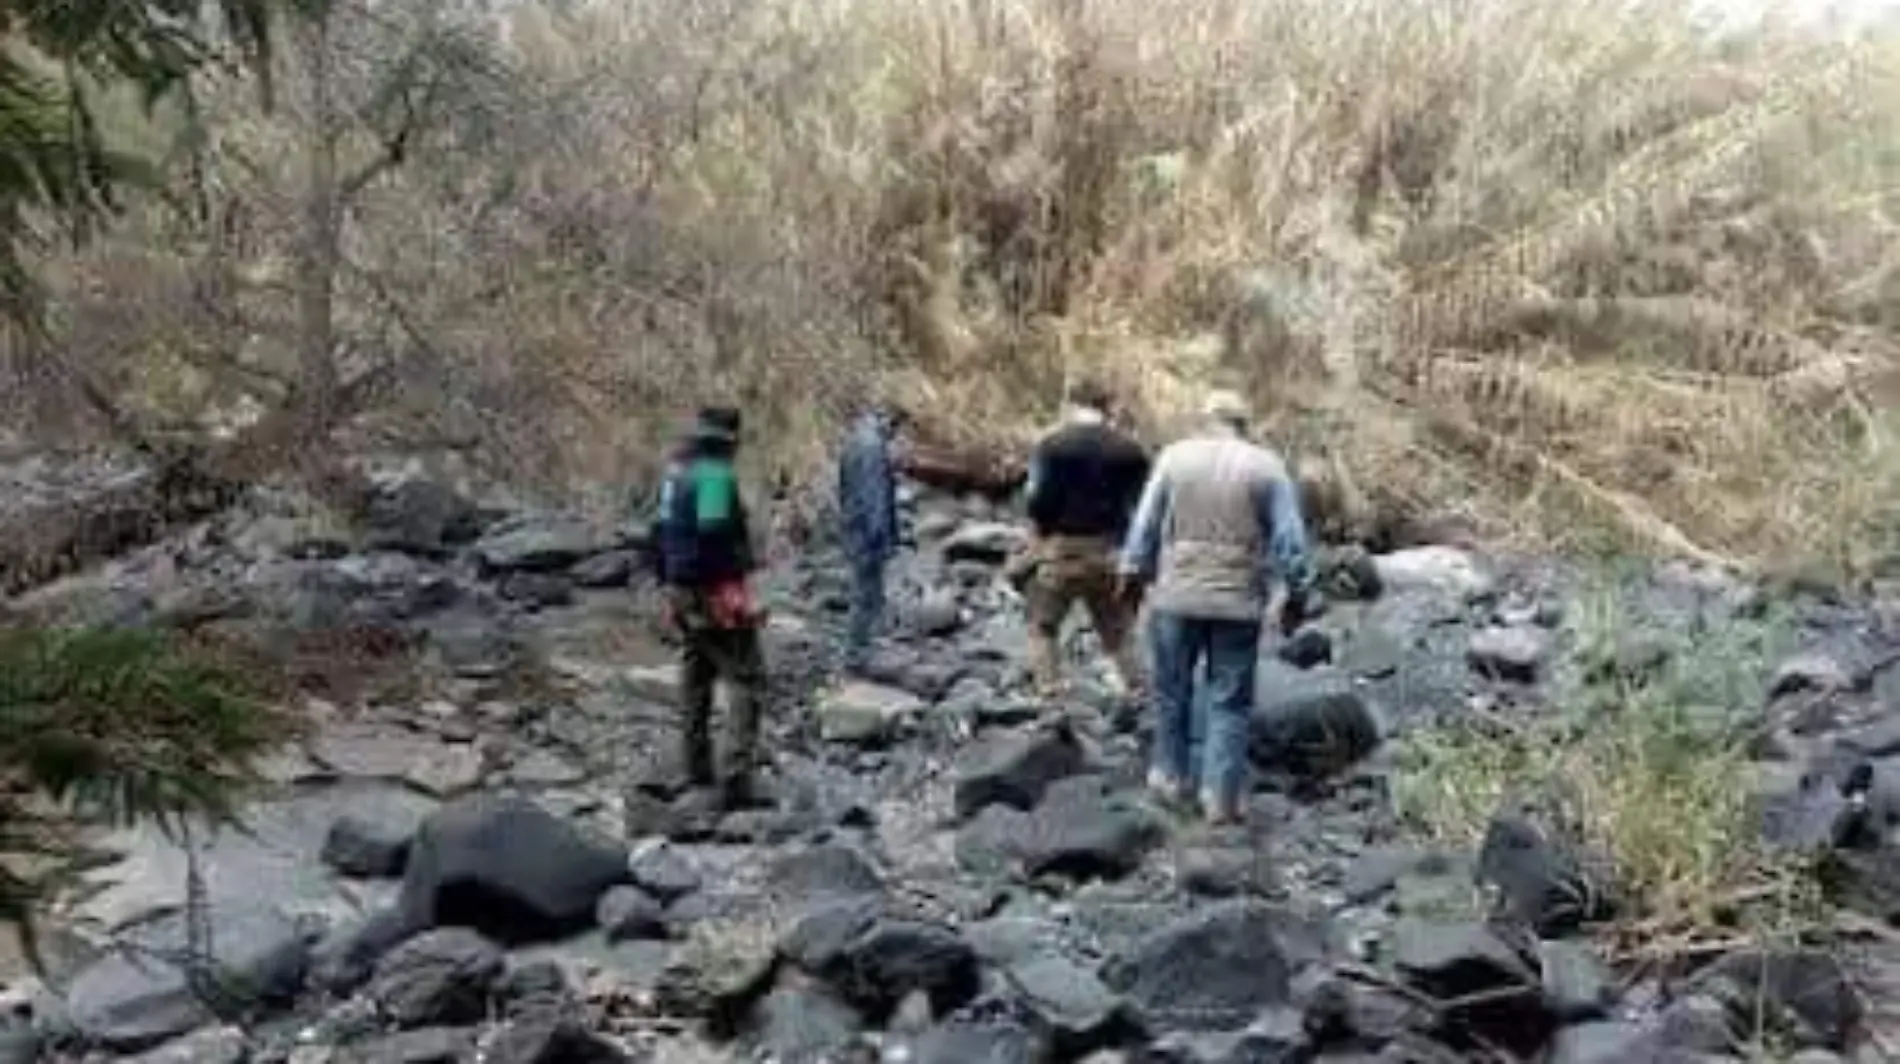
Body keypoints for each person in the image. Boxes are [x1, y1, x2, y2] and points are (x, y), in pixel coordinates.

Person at [1117, 388, 1319, 825]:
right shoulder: (1267, 467)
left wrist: (1133, 574)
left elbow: (1145, 524)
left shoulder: (1174, 458)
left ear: (1205, 420)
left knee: (1172, 691)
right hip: (1238, 600)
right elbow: (1290, 542)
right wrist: (1297, 595)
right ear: (1244, 424)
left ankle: (1169, 778)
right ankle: (1219, 797)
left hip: (1176, 595)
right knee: (1229, 701)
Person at [654, 405, 768, 807]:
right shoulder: (716, 476)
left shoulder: (675, 473)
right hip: (711, 589)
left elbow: (659, 534)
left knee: (696, 676)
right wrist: (733, 597)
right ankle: (736, 780)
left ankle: (696, 768)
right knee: (748, 677)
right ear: (729, 442)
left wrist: (667, 586)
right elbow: (713, 533)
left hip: (679, 588)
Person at [1020, 379, 1151, 696]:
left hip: (1061, 548)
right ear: (1107, 407)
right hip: (1109, 551)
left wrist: (1039, 533)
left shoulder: (1051, 445)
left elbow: (1037, 500)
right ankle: (1138, 690)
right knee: (1118, 631)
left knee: (1043, 626)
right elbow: (1145, 509)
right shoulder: (1130, 450)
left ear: (1071, 404)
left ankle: (1049, 692)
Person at [836, 401, 908, 673]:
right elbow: (875, 495)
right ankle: (857, 655)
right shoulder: (873, 448)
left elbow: (845, 490)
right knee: (867, 595)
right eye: (896, 427)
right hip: (867, 534)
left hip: (853, 528)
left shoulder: (854, 441)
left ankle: (862, 651)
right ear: (886, 419)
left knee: (865, 593)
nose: (895, 435)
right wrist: (883, 538)